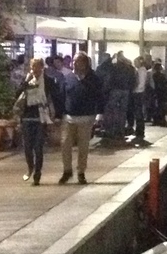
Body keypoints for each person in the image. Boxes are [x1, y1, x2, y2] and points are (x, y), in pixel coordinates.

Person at [59, 53, 102, 184]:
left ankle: (81, 172)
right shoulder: (68, 78)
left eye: (78, 61)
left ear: (85, 64)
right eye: (74, 61)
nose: (75, 64)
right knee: (65, 144)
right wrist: (59, 114)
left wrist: (99, 114)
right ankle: (67, 170)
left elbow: (99, 96)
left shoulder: (94, 79)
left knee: (83, 147)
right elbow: (61, 96)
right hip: (69, 117)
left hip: (86, 117)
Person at [14, 58, 56, 185]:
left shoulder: (48, 81)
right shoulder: (27, 80)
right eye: (33, 67)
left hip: (41, 118)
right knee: (27, 147)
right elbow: (17, 94)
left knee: (38, 148)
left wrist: (55, 116)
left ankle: (37, 173)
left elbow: (53, 97)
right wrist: (26, 81)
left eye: (37, 67)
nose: (35, 70)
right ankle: (30, 167)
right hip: (27, 117)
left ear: (42, 67)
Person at [130, 54, 150, 146]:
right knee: (138, 113)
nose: (135, 64)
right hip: (139, 93)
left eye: (136, 62)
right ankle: (139, 130)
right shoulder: (141, 70)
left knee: (139, 113)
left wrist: (134, 89)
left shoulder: (142, 71)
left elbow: (140, 83)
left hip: (138, 93)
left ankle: (140, 131)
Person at [149, 61, 167, 126]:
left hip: (156, 93)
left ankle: (156, 120)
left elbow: (152, 84)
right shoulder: (162, 76)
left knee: (156, 107)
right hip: (162, 93)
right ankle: (162, 120)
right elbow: (166, 84)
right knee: (162, 107)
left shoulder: (154, 75)